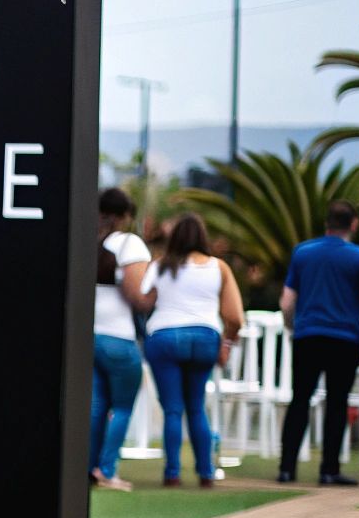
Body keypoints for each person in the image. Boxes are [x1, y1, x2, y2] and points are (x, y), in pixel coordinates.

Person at [133, 212, 244, 488]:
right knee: (196, 407)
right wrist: (226, 344)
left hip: (164, 336)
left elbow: (143, 302)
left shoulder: (160, 265)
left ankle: (172, 473)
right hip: (205, 337)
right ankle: (206, 472)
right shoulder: (219, 268)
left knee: (172, 409)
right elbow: (235, 318)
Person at [276, 199, 359, 484]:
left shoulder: (303, 252)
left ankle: (287, 468)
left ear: (327, 223)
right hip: (344, 338)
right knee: (337, 402)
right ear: (354, 224)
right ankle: (329, 470)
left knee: (300, 398)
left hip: (308, 336)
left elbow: (287, 301)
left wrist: (293, 327)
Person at [88, 188, 152, 491]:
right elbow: (136, 295)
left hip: (91, 334)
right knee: (123, 406)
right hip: (119, 336)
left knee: (97, 405)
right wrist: (155, 297)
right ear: (126, 215)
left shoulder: (89, 240)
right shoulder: (129, 243)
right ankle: (107, 469)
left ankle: (88, 467)